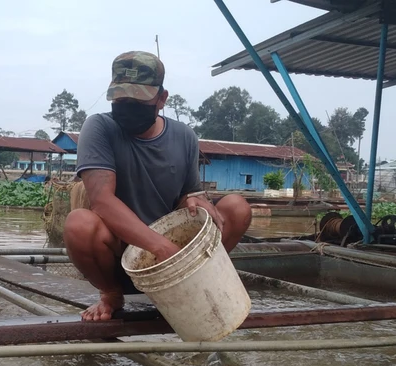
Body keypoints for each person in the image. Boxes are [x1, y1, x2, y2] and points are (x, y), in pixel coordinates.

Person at [63, 51, 253, 322]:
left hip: (173, 250)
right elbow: (102, 201)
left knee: (236, 208)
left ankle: (198, 281)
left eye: (138, 99)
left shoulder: (184, 136)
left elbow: (189, 194)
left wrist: (195, 200)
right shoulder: (99, 128)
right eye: (121, 98)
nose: (128, 106)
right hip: (120, 255)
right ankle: (111, 295)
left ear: (161, 99)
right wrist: (163, 250)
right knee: (79, 224)